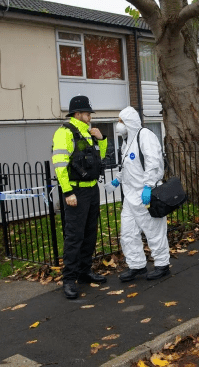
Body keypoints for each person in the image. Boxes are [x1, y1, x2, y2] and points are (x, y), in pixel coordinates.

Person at [52, 95, 108, 300]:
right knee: (74, 236)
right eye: (87, 113)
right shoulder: (65, 133)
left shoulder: (87, 133)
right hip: (76, 191)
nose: (89, 116)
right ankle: (69, 279)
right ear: (78, 114)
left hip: (92, 189)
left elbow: (98, 158)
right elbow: (59, 164)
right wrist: (67, 192)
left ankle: (85, 272)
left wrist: (101, 140)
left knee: (90, 233)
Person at [106, 106, 171, 282]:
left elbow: (153, 162)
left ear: (130, 122)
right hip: (130, 196)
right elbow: (128, 167)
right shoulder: (127, 143)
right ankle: (137, 265)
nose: (119, 125)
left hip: (145, 194)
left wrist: (149, 185)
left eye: (121, 122)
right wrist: (117, 179)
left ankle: (162, 265)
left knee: (154, 231)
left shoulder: (145, 136)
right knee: (128, 233)